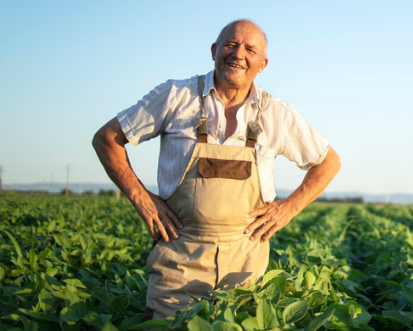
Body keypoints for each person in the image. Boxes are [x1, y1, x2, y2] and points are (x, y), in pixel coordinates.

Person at [91, 19, 341, 320]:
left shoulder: (277, 113)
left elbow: (328, 162)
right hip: (178, 269)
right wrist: (141, 197)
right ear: (214, 50)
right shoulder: (176, 97)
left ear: (262, 64)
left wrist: (289, 207)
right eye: (231, 45)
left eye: (250, 49)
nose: (238, 54)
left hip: (244, 274)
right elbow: (107, 139)